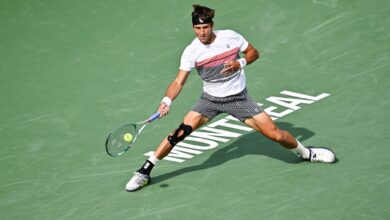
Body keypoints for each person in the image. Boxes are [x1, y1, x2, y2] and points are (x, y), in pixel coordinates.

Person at [126, 5, 336, 192]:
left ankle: (307, 153)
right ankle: (145, 171)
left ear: (212, 25)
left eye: (205, 27)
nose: (202, 32)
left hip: (238, 99)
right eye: (198, 29)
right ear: (193, 29)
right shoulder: (191, 51)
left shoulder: (231, 37)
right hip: (210, 100)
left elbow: (254, 52)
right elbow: (178, 81)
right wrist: (167, 101)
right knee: (179, 134)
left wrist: (240, 63)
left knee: (278, 137)